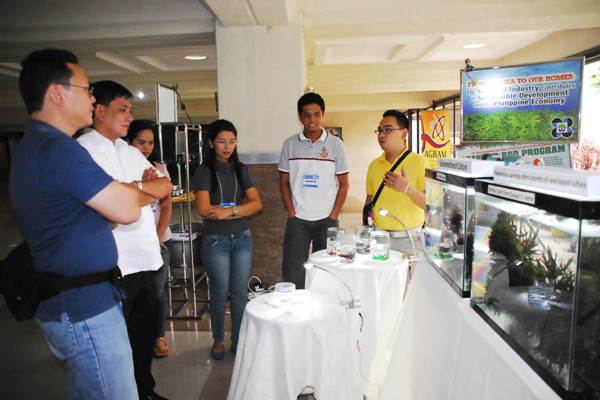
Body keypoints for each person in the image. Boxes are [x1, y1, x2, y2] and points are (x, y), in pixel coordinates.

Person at [9, 49, 145, 399]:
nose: (93, 97)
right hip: (84, 309)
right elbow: (127, 209)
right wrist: (144, 190)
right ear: (57, 92)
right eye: (86, 89)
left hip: (79, 300)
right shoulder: (57, 149)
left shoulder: (41, 146)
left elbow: (98, 213)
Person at [78, 81, 172, 400]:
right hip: (116, 264)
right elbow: (115, 207)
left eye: (130, 110)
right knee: (118, 346)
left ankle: (145, 391)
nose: (129, 116)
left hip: (147, 258)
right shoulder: (86, 149)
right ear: (99, 111)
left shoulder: (129, 151)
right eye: (123, 109)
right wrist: (142, 190)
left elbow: (165, 187)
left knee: (144, 337)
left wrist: (129, 189)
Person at [192, 119, 262, 360]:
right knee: (220, 293)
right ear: (211, 143)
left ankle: (239, 340)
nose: (227, 146)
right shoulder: (203, 171)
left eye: (232, 141)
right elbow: (203, 208)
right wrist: (238, 208)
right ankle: (219, 340)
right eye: (222, 141)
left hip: (242, 238)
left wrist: (227, 211)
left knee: (240, 294)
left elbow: (257, 204)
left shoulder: (241, 170)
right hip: (215, 241)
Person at [278, 92, 349, 289]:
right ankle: (298, 311)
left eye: (316, 114)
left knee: (327, 270)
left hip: (327, 219)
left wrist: (333, 213)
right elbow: (283, 181)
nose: (312, 120)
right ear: (300, 116)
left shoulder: (336, 145)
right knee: (293, 271)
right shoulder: (290, 144)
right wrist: (291, 212)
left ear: (323, 115)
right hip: (298, 220)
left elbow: (344, 183)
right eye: (307, 115)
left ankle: (323, 309)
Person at [126, 119, 173, 358]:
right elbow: (125, 201)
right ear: (128, 141)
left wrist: (156, 238)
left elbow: (166, 204)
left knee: (157, 292)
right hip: (132, 244)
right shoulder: (122, 169)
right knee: (135, 295)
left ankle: (159, 336)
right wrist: (145, 186)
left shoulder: (159, 169)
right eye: (140, 142)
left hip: (160, 240)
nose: (146, 147)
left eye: (150, 142)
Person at [365, 109, 427, 255]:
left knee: (409, 278)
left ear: (404, 133)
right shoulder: (374, 165)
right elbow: (369, 200)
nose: (381, 135)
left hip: (410, 240)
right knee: (380, 277)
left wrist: (408, 188)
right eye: (379, 130)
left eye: (388, 130)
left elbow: (429, 205)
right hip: (380, 239)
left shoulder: (419, 162)